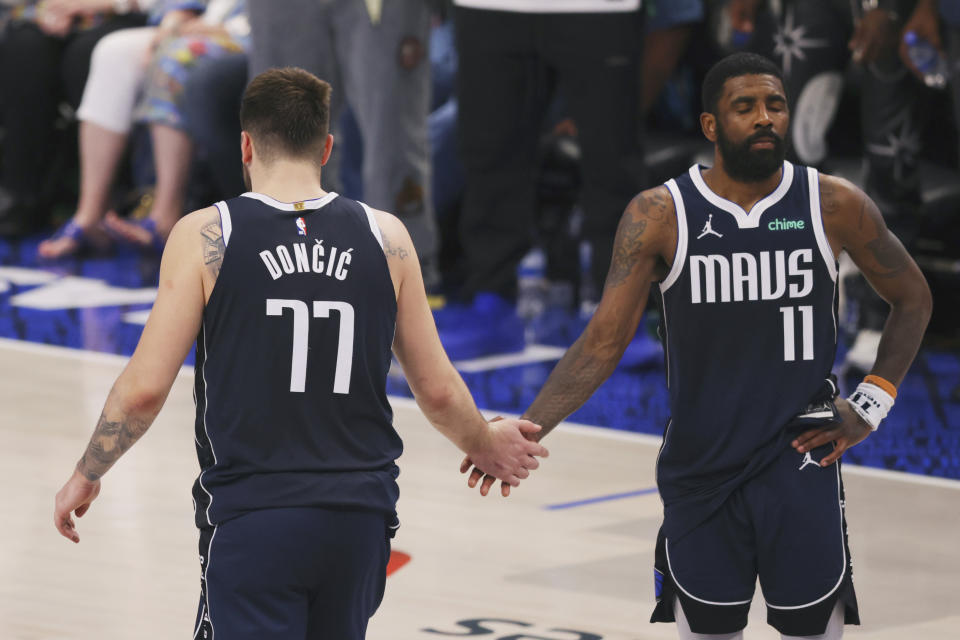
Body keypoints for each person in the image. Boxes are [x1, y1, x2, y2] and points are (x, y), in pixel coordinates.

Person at [53, 67, 548, 639]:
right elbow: (435, 390)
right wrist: (484, 442)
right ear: (327, 147)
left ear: (246, 145)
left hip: (255, 518)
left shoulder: (208, 234)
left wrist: (88, 472)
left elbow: (143, 389)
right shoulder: (385, 235)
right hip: (360, 524)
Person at [463, 52, 932, 638]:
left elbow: (913, 298)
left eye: (775, 105)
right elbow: (603, 343)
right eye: (745, 107)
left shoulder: (832, 203)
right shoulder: (660, 213)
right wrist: (526, 432)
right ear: (711, 125)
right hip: (700, 470)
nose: (765, 118)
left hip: (801, 463)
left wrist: (870, 405)